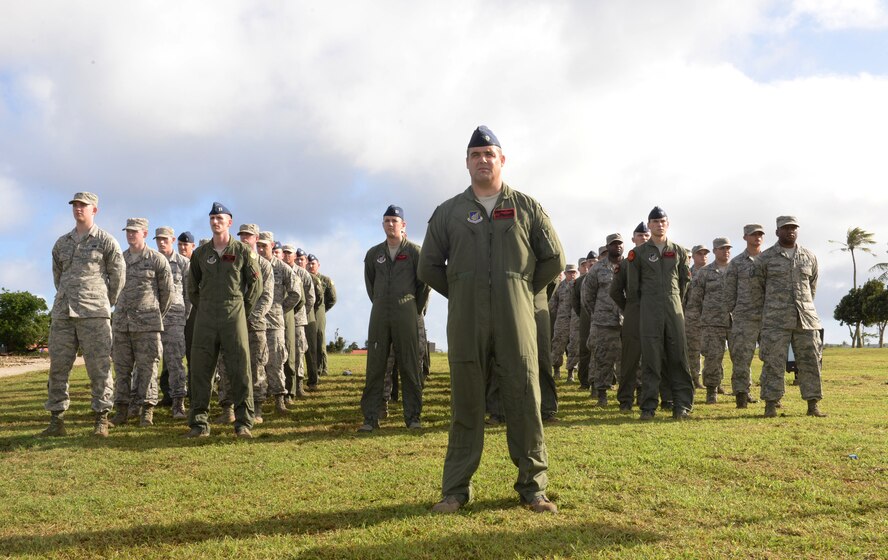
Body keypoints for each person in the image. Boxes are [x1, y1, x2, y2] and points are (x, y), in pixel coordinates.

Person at [419, 125, 564, 514]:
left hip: (517, 319)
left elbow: (555, 259)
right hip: (467, 321)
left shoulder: (526, 207)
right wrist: (465, 289)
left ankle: (533, 487)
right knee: (466, 403)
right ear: (467, 163)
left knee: (525, 400)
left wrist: (518, 288)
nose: (483, 159)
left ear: (502, 160)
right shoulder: (449, 212)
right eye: (476, 154)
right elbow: (429, 266)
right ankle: (455, 490)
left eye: (490, 153)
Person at [43, 192, 126, 437]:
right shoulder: (62, 242)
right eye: (76, 205)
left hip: (94, 314)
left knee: (99, 367)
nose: (78, 209)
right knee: (58, 367)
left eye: (83, 205)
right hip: (63, 314)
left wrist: (104, 302)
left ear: (94, 210)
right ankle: (56, 420)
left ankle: (101, 418)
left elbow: (118, 277)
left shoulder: (106, 241)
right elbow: (58, 276)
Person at [185, 202, 262, 438]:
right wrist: (205, 307)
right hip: (206, 316)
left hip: (234, 312)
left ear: (229, 222)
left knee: (239, 369)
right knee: (200, 369)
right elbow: (192, 288)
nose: (216, 222)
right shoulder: (200, 254)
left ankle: (243, 423)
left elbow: (255, 285)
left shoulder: (242, 251)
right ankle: (199, 423)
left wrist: (241, 308)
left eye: (220, 218)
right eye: (212, 218)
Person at [359, 205, 430, 431]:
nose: (391, 224)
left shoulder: (415, 253)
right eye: (387, 220)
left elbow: (424, 286)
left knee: (410, 366)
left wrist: (411, 307)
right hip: (380, 313)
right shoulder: (374, 254)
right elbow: (370, 284)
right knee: (376, 367)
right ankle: (371, 418)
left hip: (406, 311)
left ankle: (413, 418)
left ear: (403, 225)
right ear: (383, 225)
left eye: (394, 220)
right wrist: (381, 302)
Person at [754, 216, 826, 418]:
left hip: (806, 319)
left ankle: (813, 405)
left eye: (794, 228)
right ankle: (771, 404)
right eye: (785, 228)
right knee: (773, 363)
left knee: (811, 361)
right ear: (777, 232)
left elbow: (812, 288)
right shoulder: (765, 259)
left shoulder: (809, 256)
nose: (790, 231)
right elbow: (757, 290)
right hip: (775, 320)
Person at [628, 206, 693, 420]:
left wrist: (674, 303)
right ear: (649, 225)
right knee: (651, 359)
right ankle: (648, 407)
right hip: (649, 310)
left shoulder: (679, 251)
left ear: (668, 223)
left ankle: (681, 405)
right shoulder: (637, 254)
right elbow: (633, 288)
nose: (659, 224)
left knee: (679, 358)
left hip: (673, 310)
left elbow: (685, 283)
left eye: (662, 221)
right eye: (655, 222)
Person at [109, 218, 173, 427]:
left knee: (148, 370)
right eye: (128, 231)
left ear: (144, 234)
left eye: (134, 231)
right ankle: (121, 411)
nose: (130, 235)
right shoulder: (119, 259)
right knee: (122, 369)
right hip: (122, 325)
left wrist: (152, 316)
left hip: (147, 326)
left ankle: (147, 411)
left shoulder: (156, 259)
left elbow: (167, 294)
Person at [213, 224, 273, 424]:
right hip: (230, 324)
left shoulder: (264, 265)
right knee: (226, 365)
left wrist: (248, 315)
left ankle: (256, 409)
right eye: (242, 236)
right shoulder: (231, 260)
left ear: (256, 238)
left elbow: (266, 296)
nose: (245, 239)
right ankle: (228, 408)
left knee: (256, 366)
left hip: (253, 324)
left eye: (248, 236)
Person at [257, 232, 302, 416]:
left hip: (275, 323)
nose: (260, 249)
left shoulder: (282, 268)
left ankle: (279, 399)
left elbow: (296, 293)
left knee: (276, 361)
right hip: (256, 321)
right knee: (258, 362)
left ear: (272, 245)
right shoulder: (253, 265)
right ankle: (258, 400)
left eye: (264, 246)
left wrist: (280, 308)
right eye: (258, 246)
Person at [724, 224, 765, 408]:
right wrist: (733, 312)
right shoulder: (737, 263)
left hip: (769, 316)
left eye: (760, 235)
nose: (757, 238)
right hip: (744, 317)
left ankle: (772, 396)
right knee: (741, 358)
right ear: (745, 237)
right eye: (753, 235)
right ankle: (741, 395)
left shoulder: (769, 260)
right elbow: (729, 291)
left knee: (773, 358)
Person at [687, 237, 732, 404]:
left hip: (735, 320)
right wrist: (696, 321)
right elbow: (695, 300)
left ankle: (742, 391)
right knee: (712, 357)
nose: (726, 251)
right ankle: (711, 391)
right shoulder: (705, 272)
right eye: (722, 248)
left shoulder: (736, 269)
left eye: (728, 248)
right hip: (712, 321)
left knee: (740, 357)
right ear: (715, 251)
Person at [610, 223, 648, 412]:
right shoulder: (627, 263)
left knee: (653, 357)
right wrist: (629, 308)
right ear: (633, 239)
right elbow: (615, 290)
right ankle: (625, 399)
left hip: (654, 313)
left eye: (646, 235)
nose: (644, 238)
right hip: (634, 312)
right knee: (630, 358)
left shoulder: (657, 260)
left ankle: (646, 395)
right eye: (640, 235)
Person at [583, 233, 624, 407]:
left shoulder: (629, 266)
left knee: (629, 359)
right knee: (603, 358)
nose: (618, 247)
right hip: (604, 322)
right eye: (614, 244)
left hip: (627, 320)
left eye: (620, 244)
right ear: (608, 247)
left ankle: (629, 393)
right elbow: (588, 295)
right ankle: (602, 394)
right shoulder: (597, 268)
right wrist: (599, 312)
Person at [155, 226, 190, 418]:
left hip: (176, 318)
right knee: (149, 361)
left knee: (175, 361)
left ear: (173, 240)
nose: (161, 242)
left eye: (165, 239)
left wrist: (183, 316)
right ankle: (145, 403)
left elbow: (189, 293)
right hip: (152, 317)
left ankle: (178, 402)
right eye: (158, 239)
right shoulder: (151, 260)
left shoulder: (184, 263)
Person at [282, 245, 315, 398]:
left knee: (298, 352)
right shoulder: (280, 270)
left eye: (289, 253)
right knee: (283, 353)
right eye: (285, 253)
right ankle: (284, 387)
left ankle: (299, 385)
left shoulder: (302, 273)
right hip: (281, 319)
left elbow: (310, 298)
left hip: (298, 320)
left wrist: (300, 313)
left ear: (294, 255)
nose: (287, 255)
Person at [684, 245, 710, 390]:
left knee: (713, 351)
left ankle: (714, 381)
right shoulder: (688, 274)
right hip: (692, 317)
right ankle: (695, 379)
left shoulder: (714, 272)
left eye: (705, 253)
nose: (703, 256)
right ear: (693, 256)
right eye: (699, 254)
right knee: (693, 351)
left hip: (712, 317)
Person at [549, 264, 579, 380]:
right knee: (558, 344)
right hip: (562, 320)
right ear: (565, 273)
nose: (572, 274)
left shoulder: (579, 285)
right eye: (569, 272)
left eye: (574, 272)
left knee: (574, 346)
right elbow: (553, 304)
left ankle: (571, 372)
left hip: (575, 320)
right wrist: (558, 315)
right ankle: (556, 370)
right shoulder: (560, 287)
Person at [572, 252, 596, 390]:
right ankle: (584, 381)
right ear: (586, 264)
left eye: (594, 261)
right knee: (585, 349)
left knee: (602, 349)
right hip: (585, 319)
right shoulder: (580, 281)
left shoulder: (604, 276)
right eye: (590, 262)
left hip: (602, 318)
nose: (592, 264)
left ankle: (607, 380)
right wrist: (583, 315)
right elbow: (575, 301)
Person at [309, 255, 337, 376]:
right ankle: (314, 368)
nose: (310, 266)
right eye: (309, 263)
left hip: (319, 310)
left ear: (318, 265)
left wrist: (323, 309)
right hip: (307, 311)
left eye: (313, 264)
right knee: (310, 341)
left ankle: (323, 368)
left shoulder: (325, 280)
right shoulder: (305, 277)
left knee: (320, 338)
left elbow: (333, 298)